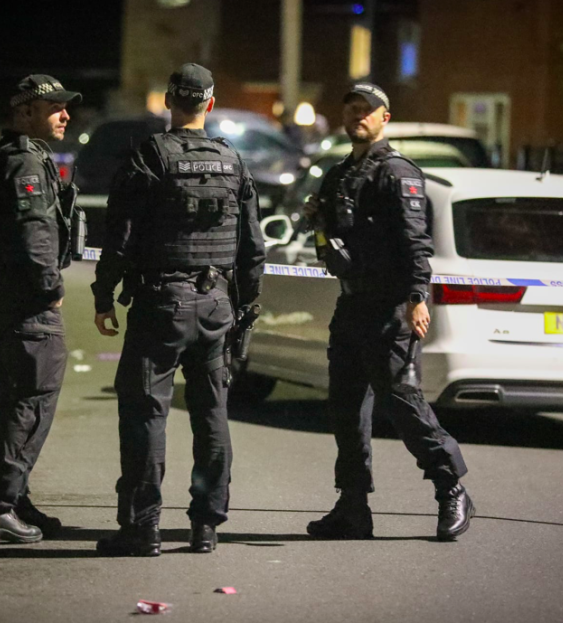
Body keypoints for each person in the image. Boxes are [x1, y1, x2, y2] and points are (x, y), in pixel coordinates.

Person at [91, 63, 266, 557]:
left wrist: (104, 296)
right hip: (216, 306)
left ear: (169, 100)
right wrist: (245, 309)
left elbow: (118, 239)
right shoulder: (234, 163)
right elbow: (254, 248)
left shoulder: (150, 157)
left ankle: (142, 528)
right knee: (212, 415)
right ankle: (206, 527)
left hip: (160, 305)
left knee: (147, 414)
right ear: (209, 105)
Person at [303, 82, 473, 541]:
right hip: (352, 304)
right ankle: (353, 507)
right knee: (346, 411)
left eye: (368, 110)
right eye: (352, 109)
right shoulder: (338, 174)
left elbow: (416, 241)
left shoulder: (398, 173)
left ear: (384, 118)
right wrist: (317, 220)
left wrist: (419, 295)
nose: (359, 116)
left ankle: (450, 488)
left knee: (404, 406)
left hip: (390, 309)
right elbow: (332, 240)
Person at [0, 75, 82, 543]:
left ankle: (12, 497)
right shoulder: (24, 163)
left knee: (19, 401)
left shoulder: (13, 156)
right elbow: (34, 231)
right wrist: (50, 286)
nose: (65, 115)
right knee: (29, 405)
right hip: (27, 305)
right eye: (54, 107)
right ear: (24, 111)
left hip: (9, 300)